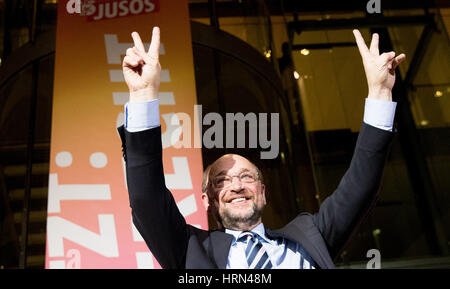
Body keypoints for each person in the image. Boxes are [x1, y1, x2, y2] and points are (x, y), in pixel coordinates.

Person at [117, 27, 406, 269]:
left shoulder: (311, 236)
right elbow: (147, 200)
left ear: (263, 193)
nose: (237, 185)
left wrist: (380, 92)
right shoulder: (190, 249)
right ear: (207, 200)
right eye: (221, 181)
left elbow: (361, 186)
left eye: (246, 177)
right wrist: (144, 95)